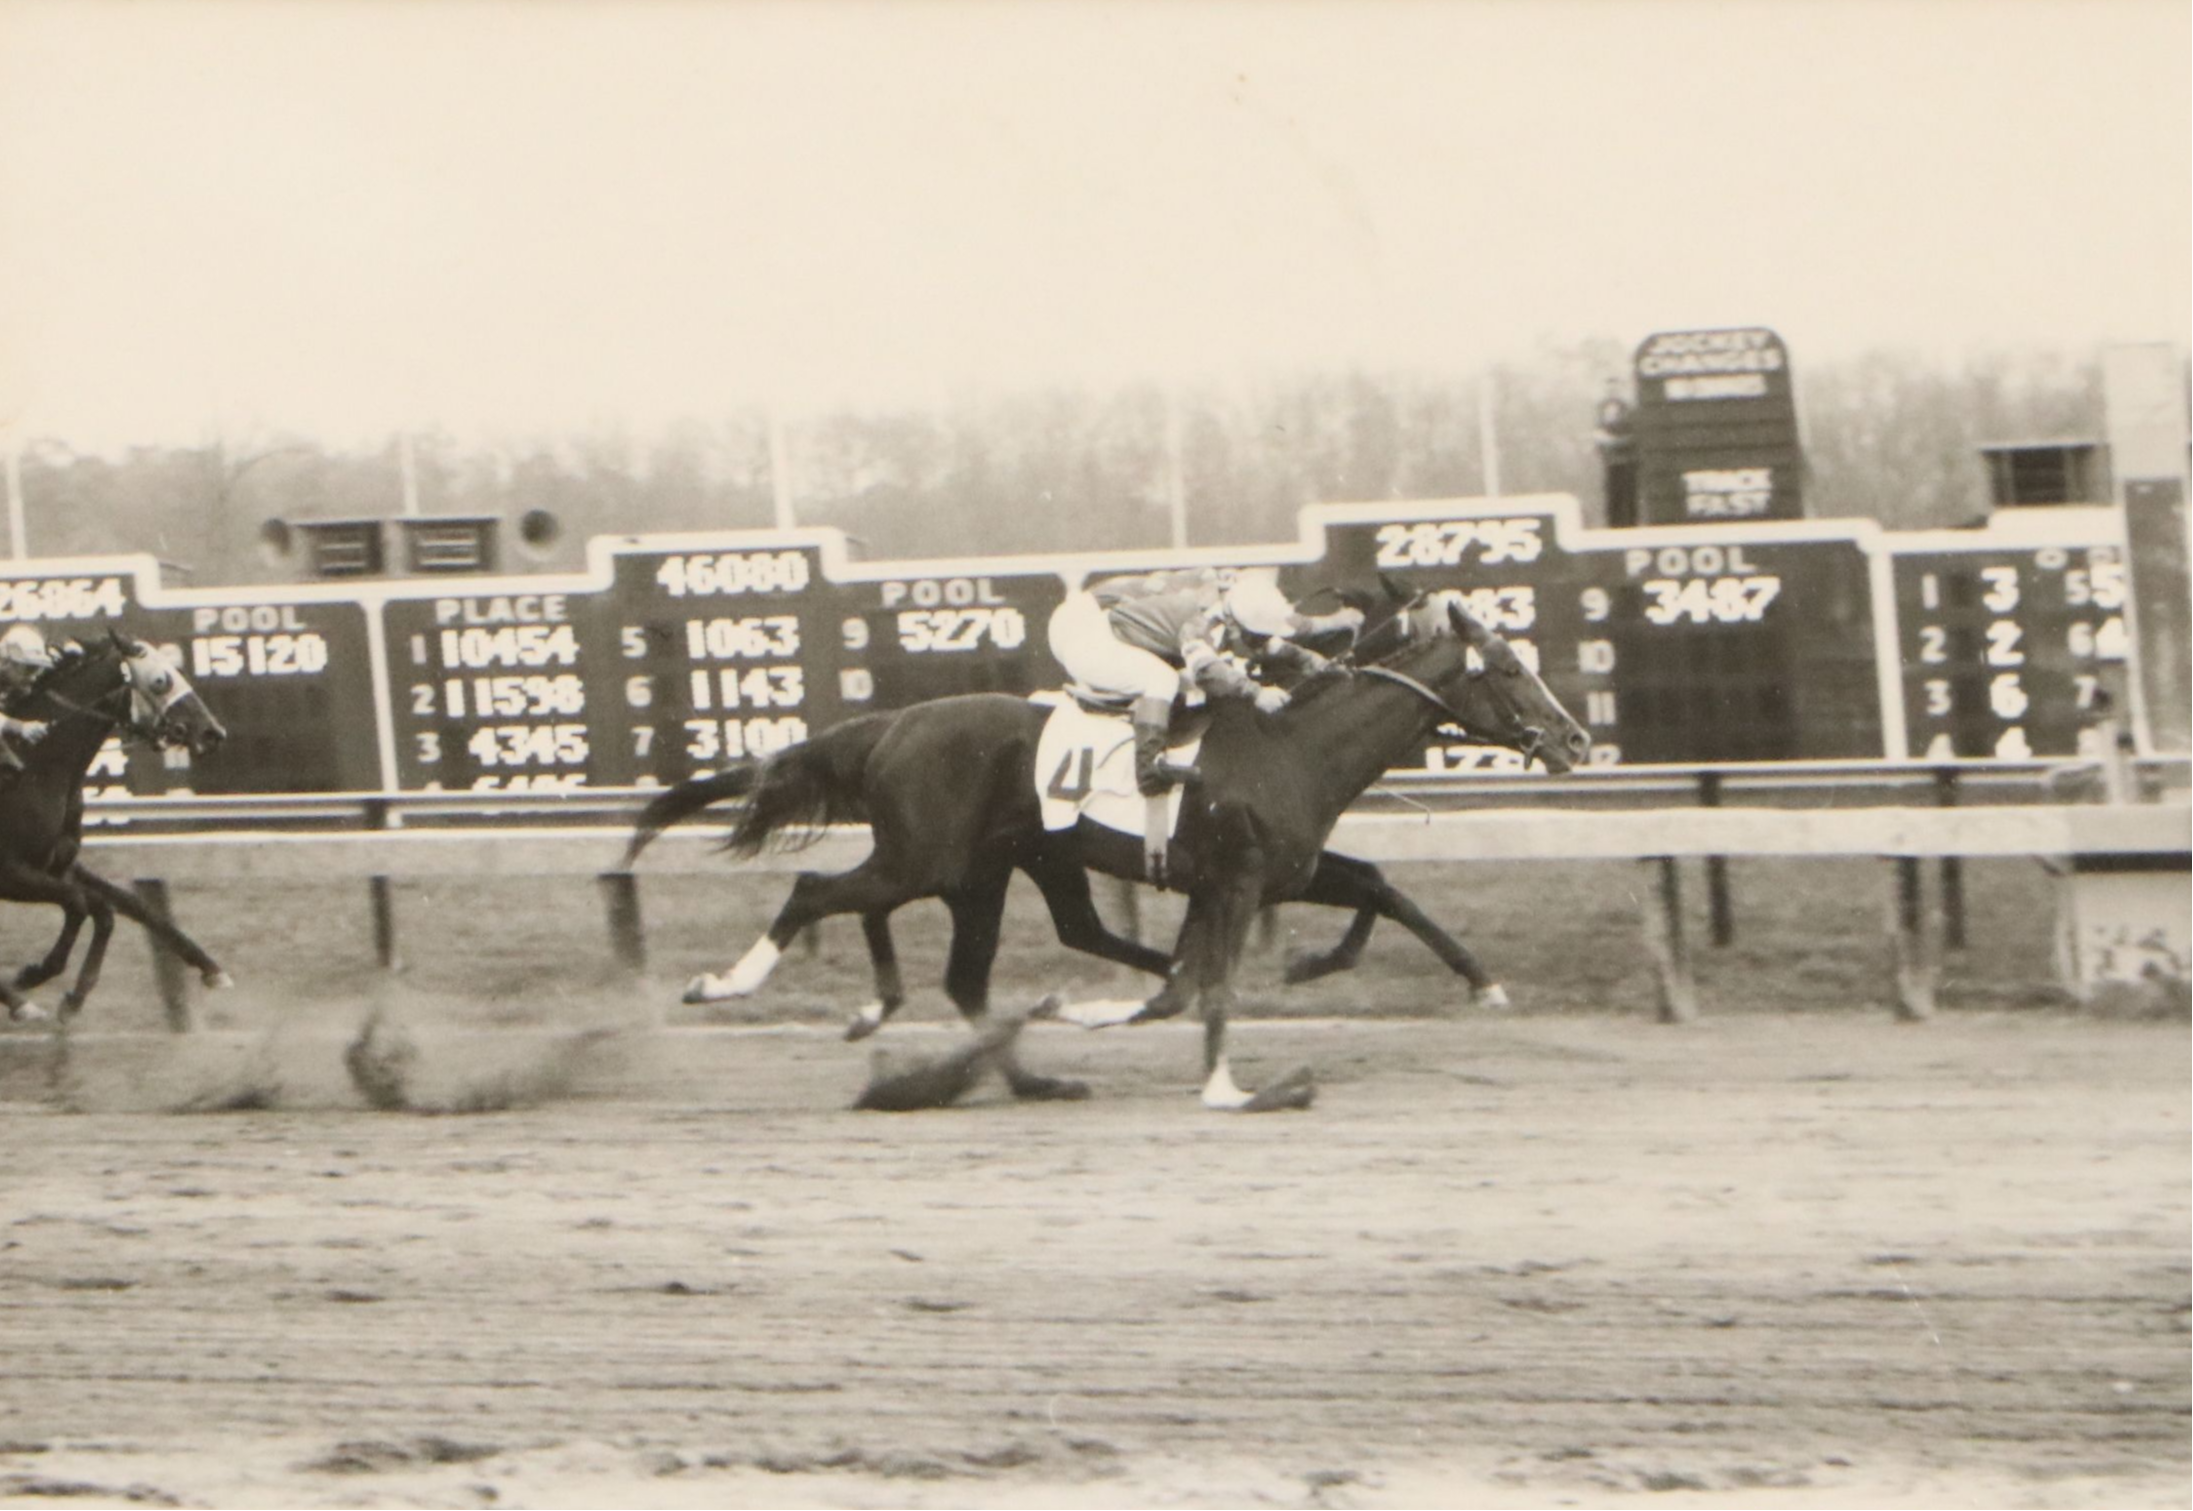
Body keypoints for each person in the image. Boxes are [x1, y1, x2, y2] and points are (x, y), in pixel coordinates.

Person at [1047, 565, 1362, 876]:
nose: (1259, 640)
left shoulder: (1231, 607)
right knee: (1162, 679)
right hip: (1084, 637)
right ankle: (1148, 769)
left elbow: (1267, 641)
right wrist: (1256, 693)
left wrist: (1313, 662)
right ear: (1237, 622)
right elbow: (1207, 669)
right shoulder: (1201, 620)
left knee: (1174, 678)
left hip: (1097, 625)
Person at [0, 623, 53, 784]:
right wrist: (20, 727)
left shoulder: (11, 683)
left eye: (39, 669)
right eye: (30, 669)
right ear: (8, 663)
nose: (35, 676)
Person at [1593, 377, 1639, 528]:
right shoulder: (1601, 408)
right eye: (1609, 389)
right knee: (1613, 496)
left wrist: (1613, 442)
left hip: (1627, 460)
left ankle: (1631, 525)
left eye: (1615, 388)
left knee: (1628, 495)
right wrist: (1600, 443)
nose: (1612, 392)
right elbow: (1598, 431)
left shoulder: (1629, 409)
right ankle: (1613, 526)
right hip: (1610, 461)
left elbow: (1635, 436)